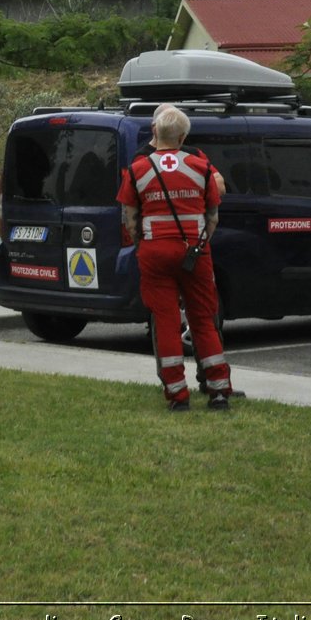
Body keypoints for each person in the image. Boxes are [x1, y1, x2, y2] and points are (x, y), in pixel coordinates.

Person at [116, 104, 242, 412]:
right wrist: (200, 243)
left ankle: (177, 394)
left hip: (155, 252)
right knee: (203, 320)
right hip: (194, 252)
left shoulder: (137, 169)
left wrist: (142, 243)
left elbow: (128, 218)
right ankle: (218, 391)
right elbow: (213, 215)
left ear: (155, 132)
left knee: (166, 321)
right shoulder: (200, 167)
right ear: (184, 136)